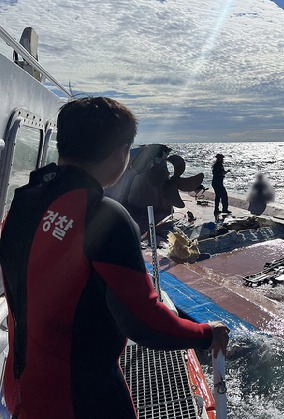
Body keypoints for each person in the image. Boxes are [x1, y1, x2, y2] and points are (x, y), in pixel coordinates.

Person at [0, 97, 229, 419]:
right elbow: (145, 322)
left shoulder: (24, 200)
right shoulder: (102, 214)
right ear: (121, 152)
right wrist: (207, 333)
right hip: (80, 398)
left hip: (21, 386)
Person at [212, 153, 230, 220]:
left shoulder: (217, 165)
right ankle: (224, 209)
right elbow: (220, 173)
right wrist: (225, 172)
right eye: (222, 158)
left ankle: (217, 209)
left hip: (216, 182)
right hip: (218, 183)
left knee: (218, 196)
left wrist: (226, 172)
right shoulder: (218, 165)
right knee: (224, 195)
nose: (223, 160)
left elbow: (220, 172)